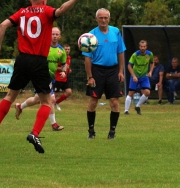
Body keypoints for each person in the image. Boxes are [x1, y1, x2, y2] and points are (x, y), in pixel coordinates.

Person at [0, 0, 86, 154]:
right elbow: (61, 10)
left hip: (22, 59)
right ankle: (34, 134)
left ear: (31, 0)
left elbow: (3, 25)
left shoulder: (22, 12)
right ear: (44, 1)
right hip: (39, 61)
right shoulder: (46, 11)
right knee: (46, 101)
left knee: (10, 96)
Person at [82, 8, 126, 140]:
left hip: (113, 71)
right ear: (96, 19)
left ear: (109, 19)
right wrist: (90, 76)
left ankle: (112, 132)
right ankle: (91, 131)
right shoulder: (90, 36)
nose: (103, 20)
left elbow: (121, 52)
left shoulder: (116, 32)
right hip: (97, 71)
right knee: (93, 101)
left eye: (105, 17)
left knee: (114, 102)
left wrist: (120, 71)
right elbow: (87, 58)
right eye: (100, 18)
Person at [14, 27, 67, 131]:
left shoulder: (61, 51)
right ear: (49, 35)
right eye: (53, 34)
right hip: (40, 76)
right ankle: (54, 125)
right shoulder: (43, 46)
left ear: (60, 36)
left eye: (57, 34)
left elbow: (64, 64)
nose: (55, 36)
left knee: (37, 99)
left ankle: (20, 106)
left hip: (50, 78)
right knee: (51, 99)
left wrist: (64, 71)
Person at [124, 40, 154, 115]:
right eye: (141, 46)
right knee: (131, 93)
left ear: (146, 47)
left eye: (144, 46)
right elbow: (129, 66)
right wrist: (134, 76)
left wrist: (150, 72)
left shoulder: (150, 54)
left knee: (147, 92)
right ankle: (126, 110)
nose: (143, 48)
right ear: (139, 47)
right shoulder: (135, 55)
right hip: (135, 76)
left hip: (144, 76)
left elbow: (152, 63)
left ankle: (137, 106)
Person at [53, 44, 72, 111]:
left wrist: (69, 70)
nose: (67, 51)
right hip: (57, 78)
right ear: (63, 50)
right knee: (54, 94)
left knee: (69, 92)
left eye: (68, 49)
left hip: (65, 79)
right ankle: (49, 106)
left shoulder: (69, 58)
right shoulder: (60, 57)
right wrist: (62, 69)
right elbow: (55, 67)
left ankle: (57, 102)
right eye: (66, 49)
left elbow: (67, 67)